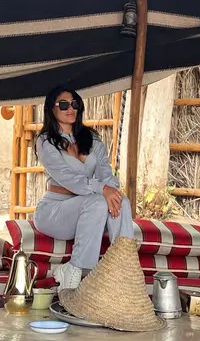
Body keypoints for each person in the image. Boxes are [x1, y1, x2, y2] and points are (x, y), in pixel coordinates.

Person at [33, 86, 134, 291]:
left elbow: (106, 173)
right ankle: (78, 270)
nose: (71, 109)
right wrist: (102, 189)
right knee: (97, 201)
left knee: (121, 201)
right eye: (64, 105)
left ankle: (123, 266)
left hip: (89, 209)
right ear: (51, 109)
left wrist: (111, 189)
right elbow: (68, 179)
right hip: (55, 211)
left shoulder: (92, 138)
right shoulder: (45, 142)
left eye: (74, 104)